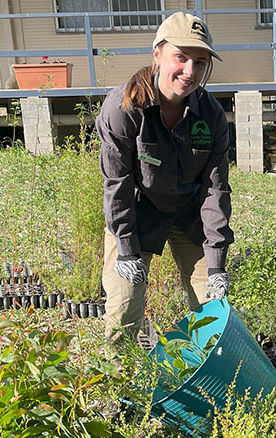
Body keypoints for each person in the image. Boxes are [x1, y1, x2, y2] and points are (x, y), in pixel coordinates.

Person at [96, 12, 233, 340]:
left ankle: (203, 380)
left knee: (214, 312)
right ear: (157, 54)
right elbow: (118, 184)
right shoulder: (124, 108)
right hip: (139, 214)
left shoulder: (211, 115)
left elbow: (215, 189)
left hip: (190, 215)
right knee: (124, 313)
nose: (190, 71)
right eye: (181, 57)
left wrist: (216, 265)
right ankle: (120, 382)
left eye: (200, 62)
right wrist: (127, 248)